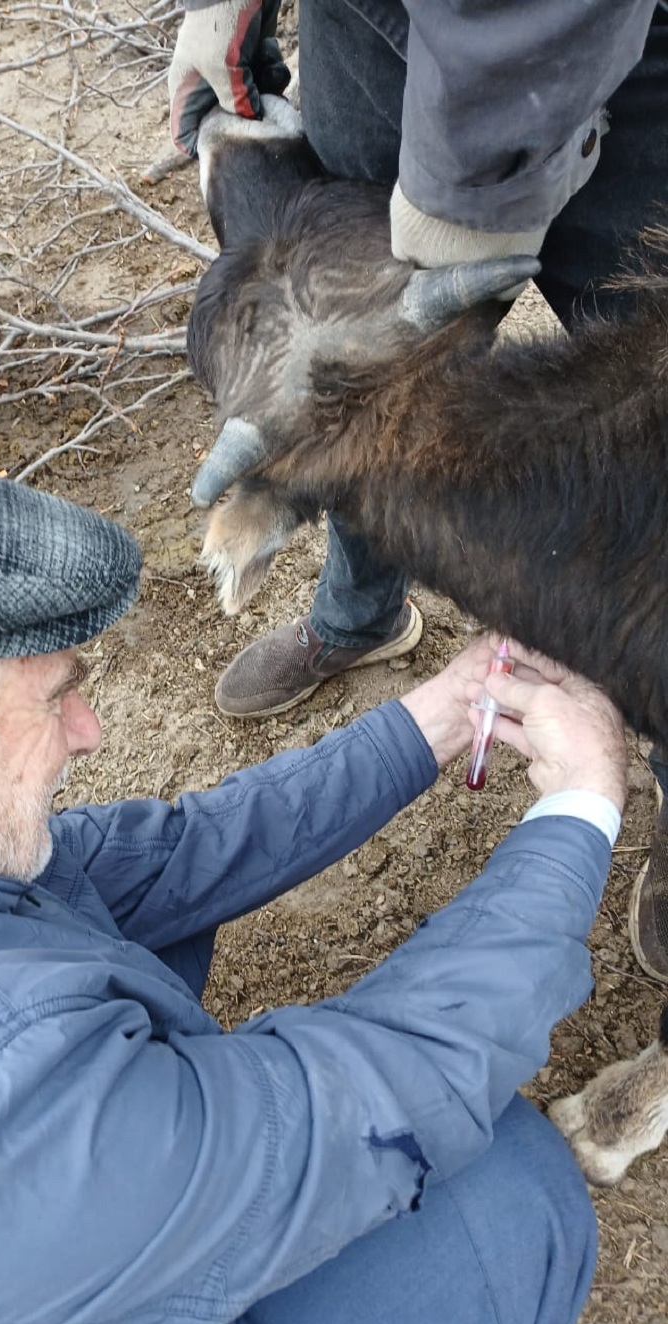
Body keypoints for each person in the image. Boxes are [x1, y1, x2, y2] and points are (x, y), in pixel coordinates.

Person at [0, 449, 628, 1323]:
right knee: (504, 1193)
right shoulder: (0, 1120)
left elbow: (180, 853)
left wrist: (445, 714)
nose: (88, 730)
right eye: (56, 697)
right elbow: (364, 1098)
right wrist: (580, 813)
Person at [168, 0, 668, 984]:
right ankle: (359, 613)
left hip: (589, 32)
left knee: (641, 405)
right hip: (377, 21)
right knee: (356, 365)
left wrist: (457, 211)